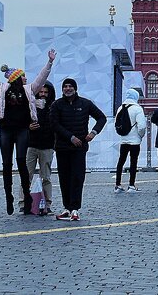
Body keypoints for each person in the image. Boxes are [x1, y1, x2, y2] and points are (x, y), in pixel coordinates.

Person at [0, 44, 55, 215]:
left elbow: (42, 78)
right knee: (6, 164)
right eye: (22, 76)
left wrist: (49, 63)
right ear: (15, 78)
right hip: (6, 129)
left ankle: (27, 197)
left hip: (22, 130)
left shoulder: (29, 91)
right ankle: (8, 197)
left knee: (21, 161)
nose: (24, 79)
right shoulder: (2, 89)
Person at [49, 77, 107, 220]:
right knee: (64, 178)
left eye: (70, 86)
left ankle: (75, 208)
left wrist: (93, 133)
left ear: (75, 89)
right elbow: (54, 124)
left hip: (79, 148)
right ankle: (66, 208)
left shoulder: (85, 103)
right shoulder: (57, 105)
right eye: (65, 86)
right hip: (63, 147)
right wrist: (70, 137)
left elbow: (101, 118)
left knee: (77, 178)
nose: (67, 89)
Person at [27, 82, 58, 214]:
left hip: (47, 146)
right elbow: (22, 122)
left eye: (46, 92)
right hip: (31, 145)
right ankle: (24, 203)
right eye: (41, 92)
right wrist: (28, 127)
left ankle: (47, 203)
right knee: (26, 176)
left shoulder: (54, 107)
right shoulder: (30, 106)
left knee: (46, 177)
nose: (43, 95)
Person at [113, 87, 147, 193]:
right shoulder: (137, 109)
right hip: (134, 141)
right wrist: (140, 136)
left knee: (121, 161)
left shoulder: (120, 108)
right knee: (133, 162)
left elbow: (116, 124)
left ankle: (118, 185)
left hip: (123, 139)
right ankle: (131, 185)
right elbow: (141, 126)